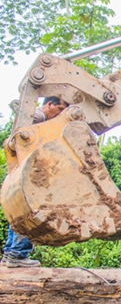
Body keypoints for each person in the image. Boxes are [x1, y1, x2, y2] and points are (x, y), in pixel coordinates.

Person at [2, 96, 69, 268]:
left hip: (18, 173)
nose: (59, 115)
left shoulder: (33, 116)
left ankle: (11, 254)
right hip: (28, 174)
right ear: (49, 104)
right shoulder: (38, 118)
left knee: (18, 215)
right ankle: (17, 254)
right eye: (59, 110)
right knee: (28, 213)